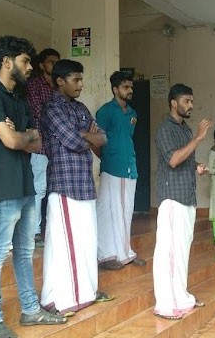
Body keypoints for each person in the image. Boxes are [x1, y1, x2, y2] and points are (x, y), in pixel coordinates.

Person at [0, 35, 66, 338]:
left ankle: (30, 309)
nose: (30, 68)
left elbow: (36, 142)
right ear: (7, 62)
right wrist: (22, 137)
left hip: (25, 184)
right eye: (26, 61)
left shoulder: (19, 100)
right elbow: (12, 142)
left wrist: (22, 134)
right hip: (1, 187)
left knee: (25, 252)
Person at [38, 59, 112, 316]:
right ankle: (59, 299)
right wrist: (85, 136)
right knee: (65, 243)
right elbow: (71, 140)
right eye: (75, 79)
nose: (81, 84)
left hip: (84, 183)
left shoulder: (81, 108)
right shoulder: (52, 108)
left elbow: (102, 138)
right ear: (60, 81)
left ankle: (85, 293)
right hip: (65, 183)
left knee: (86, 240)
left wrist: (87, 136)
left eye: (81, 79)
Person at [152, 83, 212, 320]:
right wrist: (198, 138)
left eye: (192, 101)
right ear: (173, 103)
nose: (191, 106)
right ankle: (166, 304)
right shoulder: (164, 129)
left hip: (187, 196)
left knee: (181, 251)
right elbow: (174, 160)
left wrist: (197, 167)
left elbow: (186, 159)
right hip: (173, 198)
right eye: (186, 101)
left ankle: (181, 296)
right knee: (168, 252)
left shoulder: (185, 129)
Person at [95, 71, 146, 270]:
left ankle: (121, 253)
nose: (130, 90)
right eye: (126, 87)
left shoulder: (132, 114)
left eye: (131, 87)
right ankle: (112, 254)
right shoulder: (106, 111)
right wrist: (107, 159)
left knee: (123, 211)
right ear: (115, 89)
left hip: (128, 167)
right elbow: (95, 139)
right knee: (108, 211)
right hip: (113, 167)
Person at [26, 48, 60, 245]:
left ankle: (51, 229)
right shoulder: (35, 85)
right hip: (40, 143)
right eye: (50, 62)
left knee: (53, 188)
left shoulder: (58, 86)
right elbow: (39, 111)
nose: (54, 65)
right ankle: (35, 230)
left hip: (56, 144)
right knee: (38, 188)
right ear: (42, 65)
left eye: (57, 62)